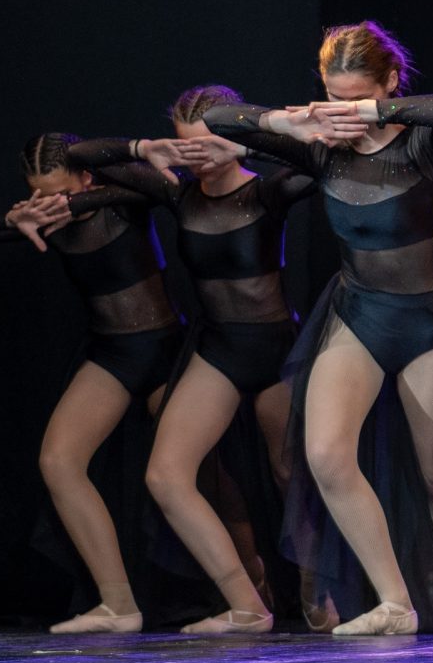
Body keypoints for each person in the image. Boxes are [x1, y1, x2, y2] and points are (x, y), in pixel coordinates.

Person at [203, 23, 433, 637]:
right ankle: (394, 603)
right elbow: (219, 119)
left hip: (424, 320)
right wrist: (289, 123)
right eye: (334, 97)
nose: (344, 112)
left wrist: (374, 112)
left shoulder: (422, 143)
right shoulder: (320, 147)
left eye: (357, 98)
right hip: (358, 313)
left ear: (390, 82)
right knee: (327, 455)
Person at [64, 84, 318, 634]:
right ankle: (247, 605)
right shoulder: (177, 192)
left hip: (276, 348)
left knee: (290, 473)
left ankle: (315, 582)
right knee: (167, 475)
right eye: (187, 145)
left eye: (207, 144)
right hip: (219, 349)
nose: (197, 157)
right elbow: (80, 155)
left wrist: (246, 144)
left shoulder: (267, 192)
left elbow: (319, 159)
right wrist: (144, 150)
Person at [0, 133, 186, 633]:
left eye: (60, 193)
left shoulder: (123, 199)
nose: (48, 204)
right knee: (58, 461)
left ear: (86, 178)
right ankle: (118, 604)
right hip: (112, 355)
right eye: (38, 194)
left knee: (198, 474)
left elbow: (166, 188)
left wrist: (76, 203)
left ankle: (252, 588)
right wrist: (14, 220)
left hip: (166, 349)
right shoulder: (45, 219)